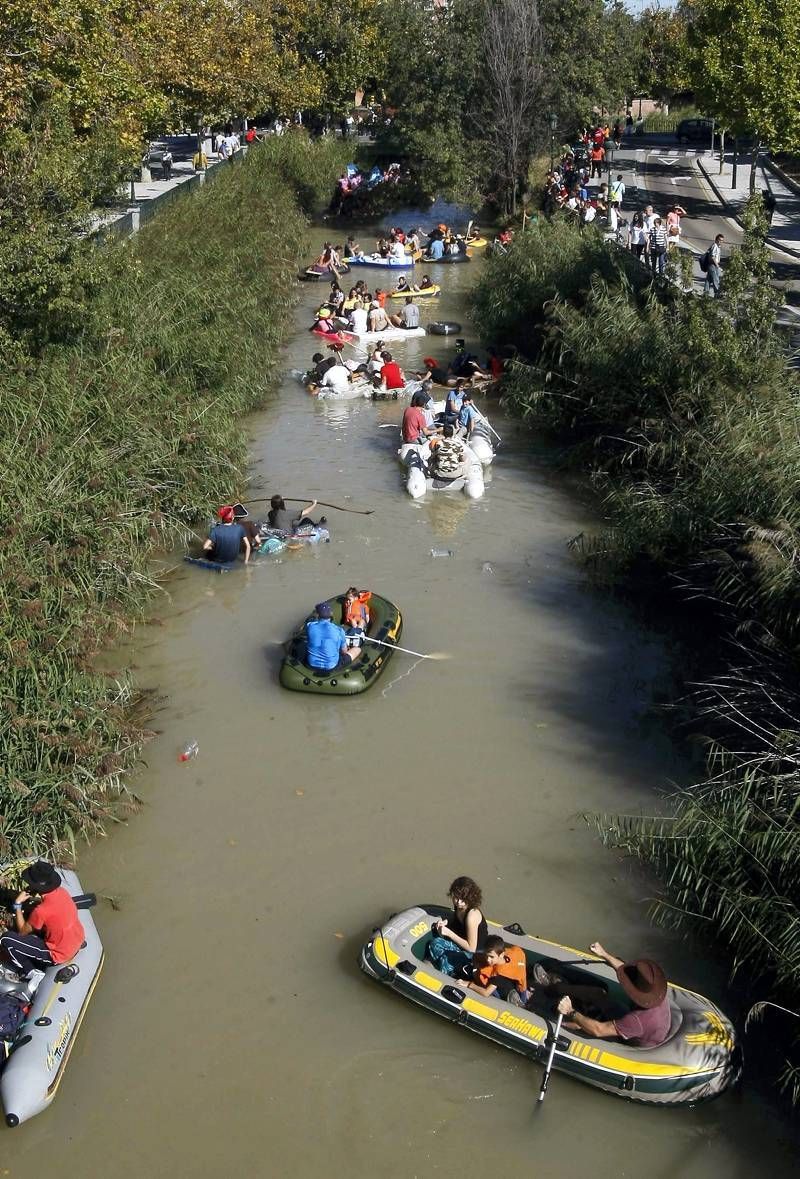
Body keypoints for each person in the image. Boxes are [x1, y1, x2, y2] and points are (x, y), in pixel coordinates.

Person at [556, 942, 672, 1049]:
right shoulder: (657, 993)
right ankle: (557, 986)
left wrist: (570, 1011)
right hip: (637, 1024)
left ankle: (556, 1020)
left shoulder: (636, 1020)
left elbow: (599, 1030)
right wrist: (604, 954)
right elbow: (626, 972)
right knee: (598, 993)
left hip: (629, 1041)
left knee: (578, 1026)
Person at [0, 861, 84, 981]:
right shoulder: (63, 892)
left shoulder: (41, 911)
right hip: (76, 940)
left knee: (6, 939)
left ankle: (31, 971)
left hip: (58, 954)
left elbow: (23, 932)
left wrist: (18, 904)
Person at [427, 876, 488, 976]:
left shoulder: (472, 915)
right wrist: (446, 922)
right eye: (456, 897)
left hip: (474, 955)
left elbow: (471, 948)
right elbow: (456, 919)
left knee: (443, 954)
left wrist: (449, 933)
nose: (458, 902)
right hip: (462, 946)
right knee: (435, 943)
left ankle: (454, 972)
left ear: (470, 898)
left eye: (462, 899)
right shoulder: (459, 906)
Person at [457, 936, 529, 1006]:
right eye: (486, 955)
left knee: (490, 988)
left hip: (518, 989)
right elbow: (518, 950)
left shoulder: (499, 973)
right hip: (516, 976)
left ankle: (516, 1000)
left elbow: (486, 993)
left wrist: (470, 984)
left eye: (491, 957)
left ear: (501, 955)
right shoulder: (513, 952)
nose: (488, 959)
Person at [304, 601, 358, 671]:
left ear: (317, 615)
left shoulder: (310, 626)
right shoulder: (339, 630)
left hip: (312, 664)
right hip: (331, 666)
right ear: (331, 614)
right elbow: (344, 652)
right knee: (357, 649)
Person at [704, 233, 724, 298]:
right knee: (716, 279)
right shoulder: (715, 246)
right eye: (719, 240)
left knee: (708, 280)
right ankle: (717, 293)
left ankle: (705, 293)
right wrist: (717, 265)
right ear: (716, 239)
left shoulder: (717, 246)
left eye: (722, 240)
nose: (720, 241)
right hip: (713, 265)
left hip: (711, 265)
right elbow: (712, 257)